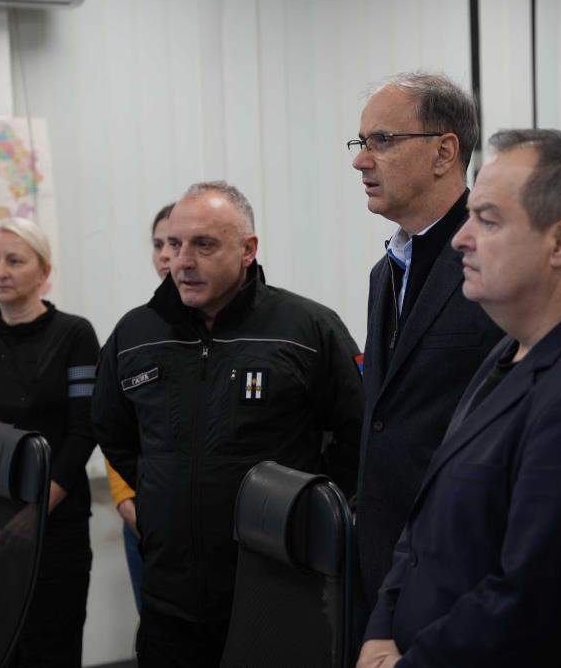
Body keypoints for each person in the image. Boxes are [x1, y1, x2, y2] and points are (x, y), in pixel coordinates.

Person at [358, 129, 561, 667]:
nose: (461, 239)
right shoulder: (509, 351)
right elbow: (424, 522)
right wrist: (382, 629)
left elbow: (533, 607)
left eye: (487, 220)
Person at [92, 180, 363, 668]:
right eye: (174, 244)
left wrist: (305, 510)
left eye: (204, 244)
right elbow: (113, 430)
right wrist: (157, 496)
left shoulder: (306, 329)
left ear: (247, 249)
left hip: (276, 591)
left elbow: (359, 433)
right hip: (169, 600)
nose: (182, 261)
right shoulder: (135, 333)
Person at [348, 72, 503, 611]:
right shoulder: (385, 272)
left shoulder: (498, 263)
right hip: (385, 565)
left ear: (444, 152)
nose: (360, 160)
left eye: (381, 140)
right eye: (360, 141)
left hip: (465, 572)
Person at [0, 217, 98, 667]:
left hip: (56, 526)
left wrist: (37, 513)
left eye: (14, 261)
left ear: (43, 270)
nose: (0, 271)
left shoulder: (75, 335)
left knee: (52, 648)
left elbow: (84, 431)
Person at [103, 201, 175, 612]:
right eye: (158, 244)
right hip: (143, 517)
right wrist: (124, 498)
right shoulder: (134, 330)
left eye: (175, 243)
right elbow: (114, 423)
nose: (166, 255)